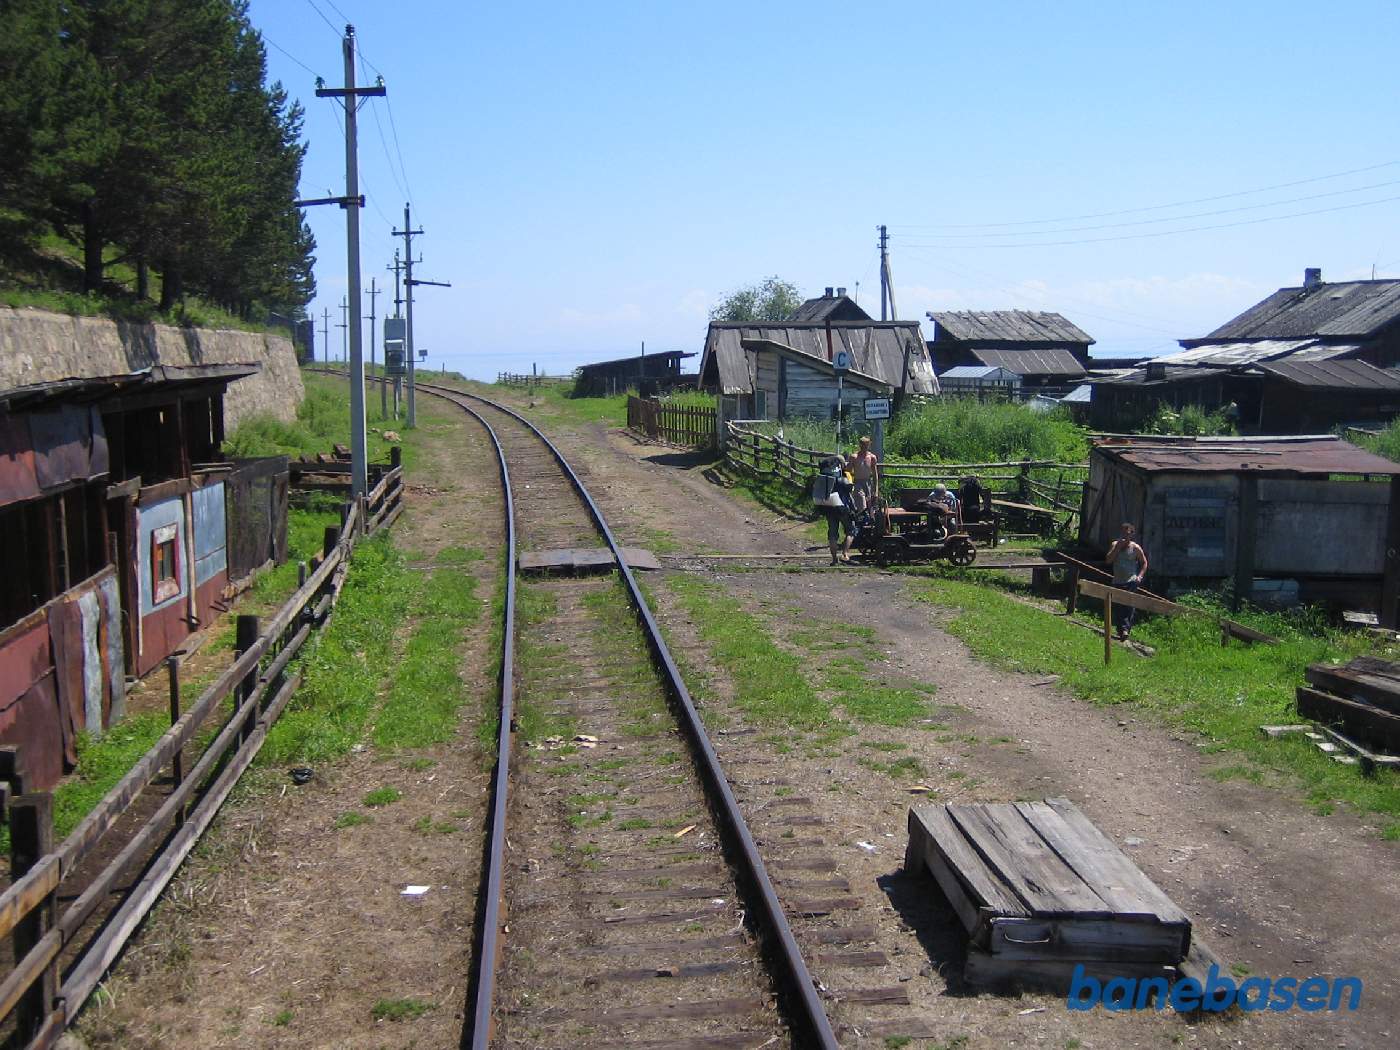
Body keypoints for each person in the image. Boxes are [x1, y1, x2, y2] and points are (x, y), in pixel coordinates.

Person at [1107, 522, 1148, 641]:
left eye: (1127, 533)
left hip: (1131, 581)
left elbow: (1144, 562)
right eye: (1123, 532)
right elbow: (1108, 560)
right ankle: (1122, 630)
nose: (1125, 535)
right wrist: (1118, 548)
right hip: (1117, 581)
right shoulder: (1115, 544)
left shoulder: (1135, 548)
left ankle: (1125, 630)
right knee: (1119, 606)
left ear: (1132, 534)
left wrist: (1140, 576)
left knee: (1128, 606)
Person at [812, 455, 855, 565]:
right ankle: (845, 554)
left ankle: (834, 559)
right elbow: (850, 492)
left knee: (832, 534)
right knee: (851, 530)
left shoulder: (825, 478)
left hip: (828, 508)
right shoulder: (842, 478)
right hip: (841, 508)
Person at [847, 436, 879, 512]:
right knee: (862, 504)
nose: (864, 446)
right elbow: (848, 472)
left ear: (869, 445)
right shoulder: (854, 457)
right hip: (858, 483)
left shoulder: (872, 457)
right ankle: (861, 518)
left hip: (868, 483)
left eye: (866, 444)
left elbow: (875, 475)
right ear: (860, 445)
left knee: (870, 506)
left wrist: (876, 490)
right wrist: (850, 484)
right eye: (863, 444)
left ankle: (866, 522)